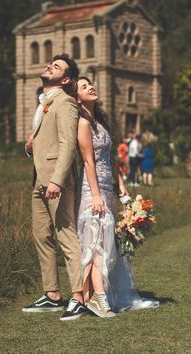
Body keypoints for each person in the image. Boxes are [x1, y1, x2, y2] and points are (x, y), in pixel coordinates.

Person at [76, 77, 159, 318]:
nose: (91, 87)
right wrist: (95, 195)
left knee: (105, 245)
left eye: (91, 84)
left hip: (106, 189)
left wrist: (120, 184)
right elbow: (88, 161)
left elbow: (109, 159)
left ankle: (87, 297)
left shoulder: (100, 123)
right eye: (84, 86)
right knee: (95, 245)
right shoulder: (82, 123)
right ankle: (97, 300)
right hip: (91, 189)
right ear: (77, 97)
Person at [23, 54, 87, 321]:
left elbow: (67, 145)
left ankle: (79, 297)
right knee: (42, 237)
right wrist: (31, 145)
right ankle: (52, 295)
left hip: (56, 181)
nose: (49, 66)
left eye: (57, 66)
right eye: (51, 63)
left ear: (65, 79)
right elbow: (47, 140)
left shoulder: (66, 103)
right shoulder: (44, 102)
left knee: (65, 235)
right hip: (39, 179)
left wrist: (57, 180)